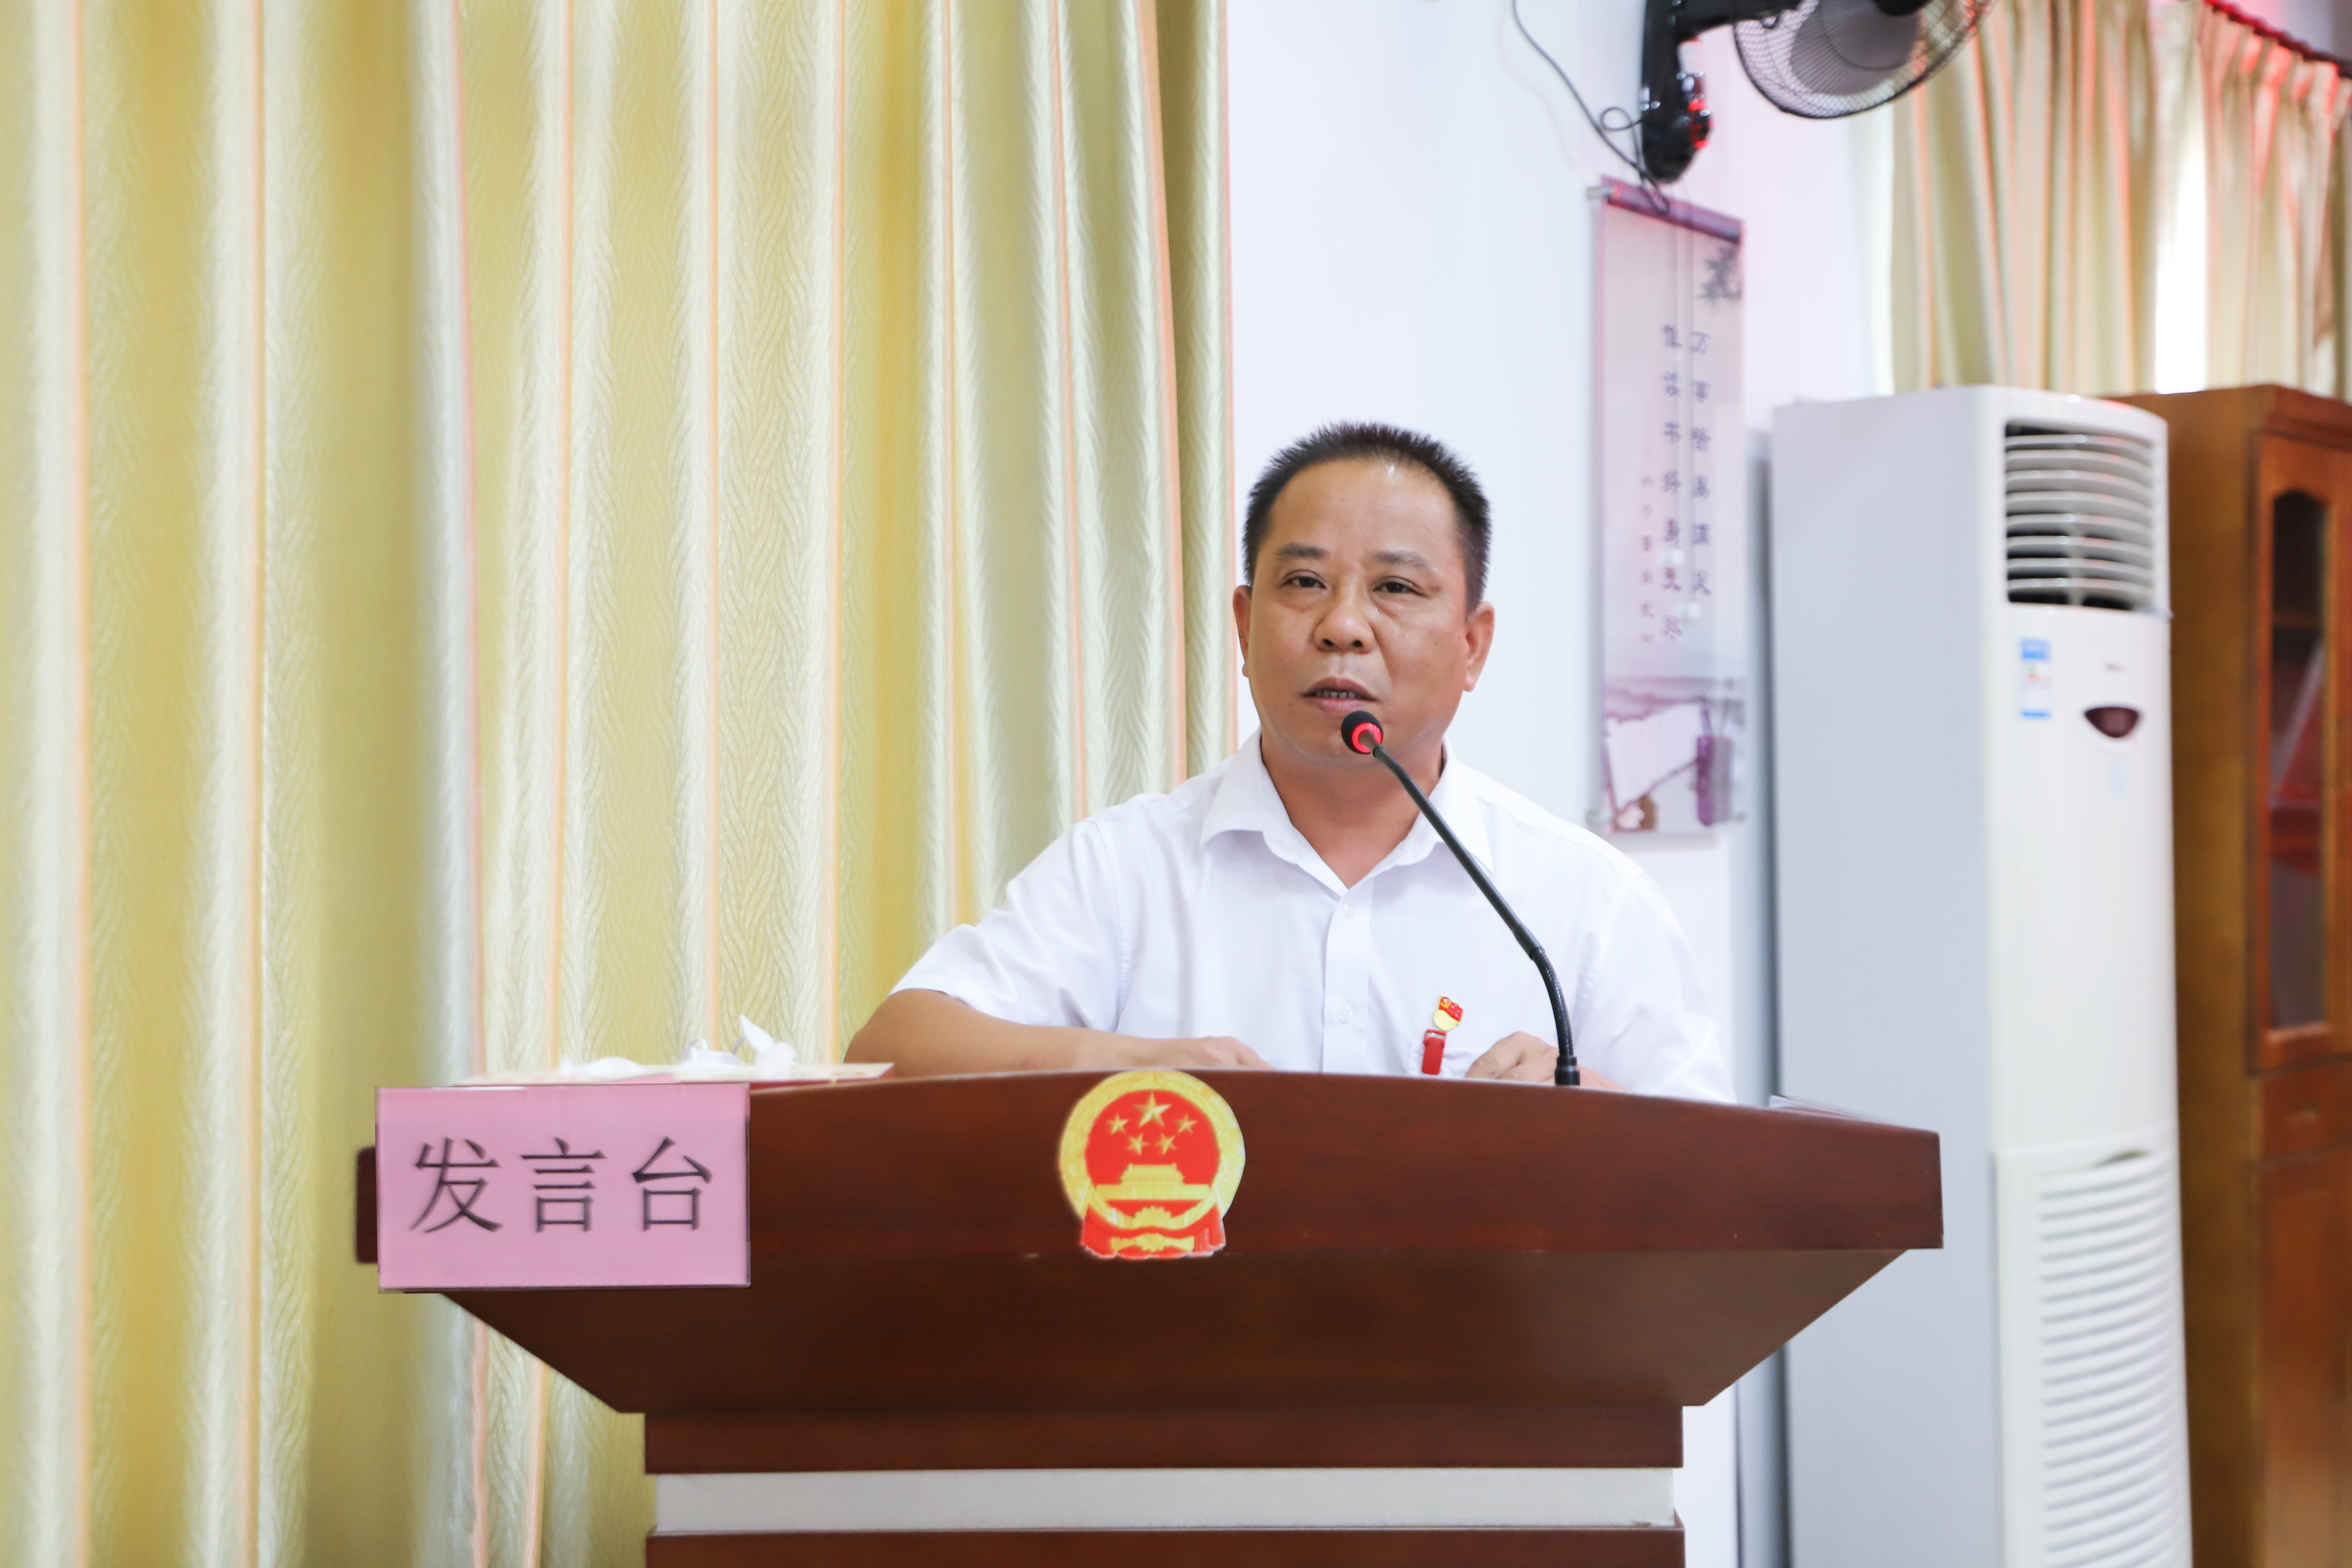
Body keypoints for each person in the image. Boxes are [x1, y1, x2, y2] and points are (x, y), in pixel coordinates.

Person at [847, 422, 1729, 1099]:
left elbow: (1716, 1174)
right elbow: (893, 1049)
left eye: (1395, 588)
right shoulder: (1127, 868)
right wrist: (1131, 1063)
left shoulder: (1582, 900)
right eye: (1304, 583)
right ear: (1243, 626)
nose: (1342, 625)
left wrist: (1595, 1104)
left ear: (1473, 644)